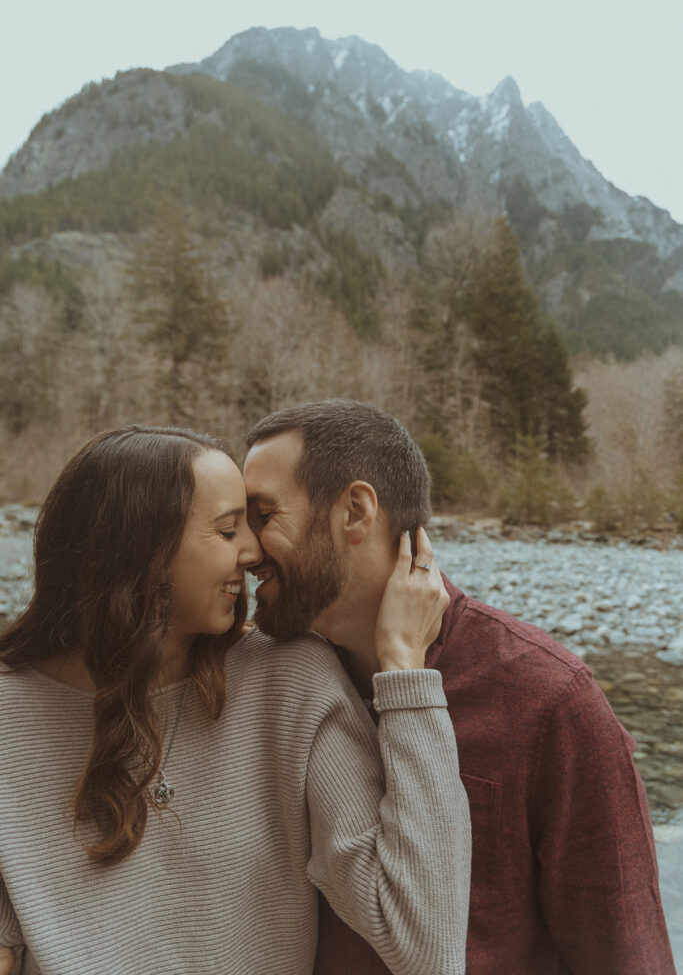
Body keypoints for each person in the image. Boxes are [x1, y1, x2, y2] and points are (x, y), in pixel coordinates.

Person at [0, 425, 471, 975]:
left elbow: (426, 943)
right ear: (137, 550)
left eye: (253, 523)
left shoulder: (289, 681)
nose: (253, 552)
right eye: (227, 531)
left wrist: (405, 671)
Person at [243, 399, 677, 975]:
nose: (245, 550)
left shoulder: (547, 697)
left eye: (263, 516)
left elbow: (624, 952)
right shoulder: (268, 676)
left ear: (355, 511)